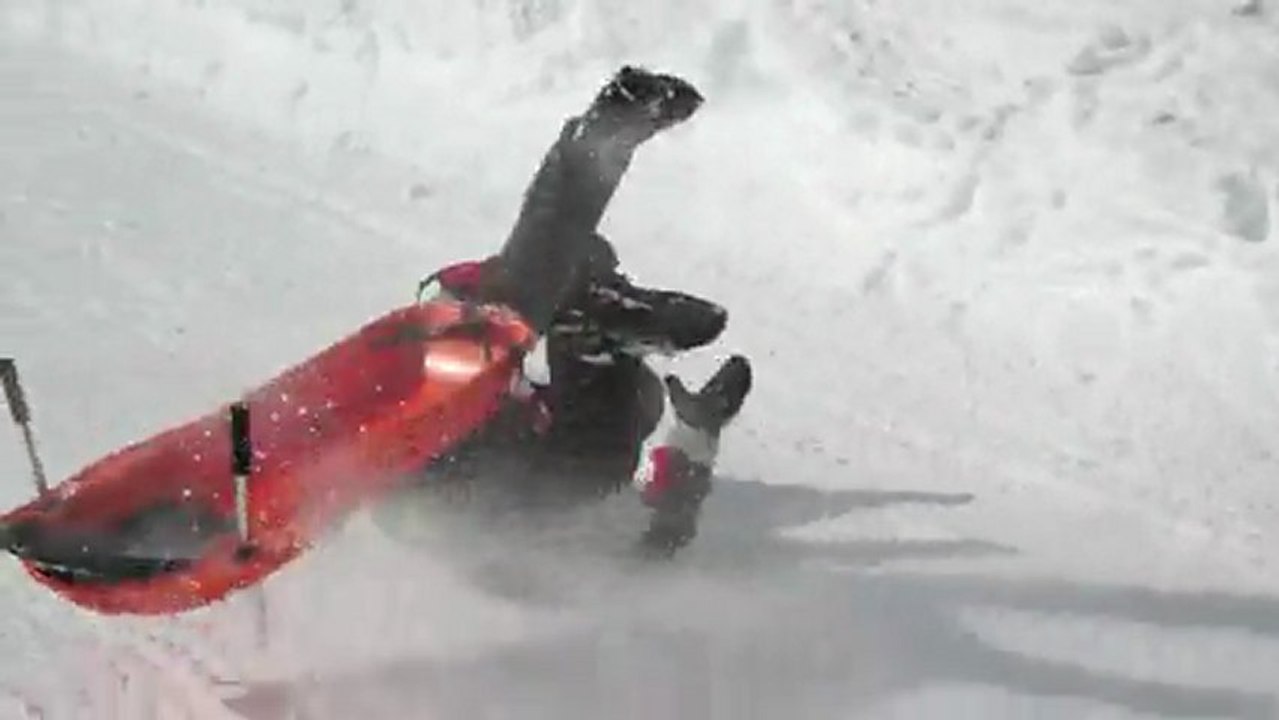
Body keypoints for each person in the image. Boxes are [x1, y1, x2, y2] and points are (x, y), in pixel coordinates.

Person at [413, 66, 753, 556]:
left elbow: (660, 532)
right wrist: (698, 433)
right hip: (467, 477)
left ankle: (594, 159)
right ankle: (595, 163)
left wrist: (696, 436)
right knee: (533, 321)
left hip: (466, 486)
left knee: (530, 322)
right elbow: (661, 533)